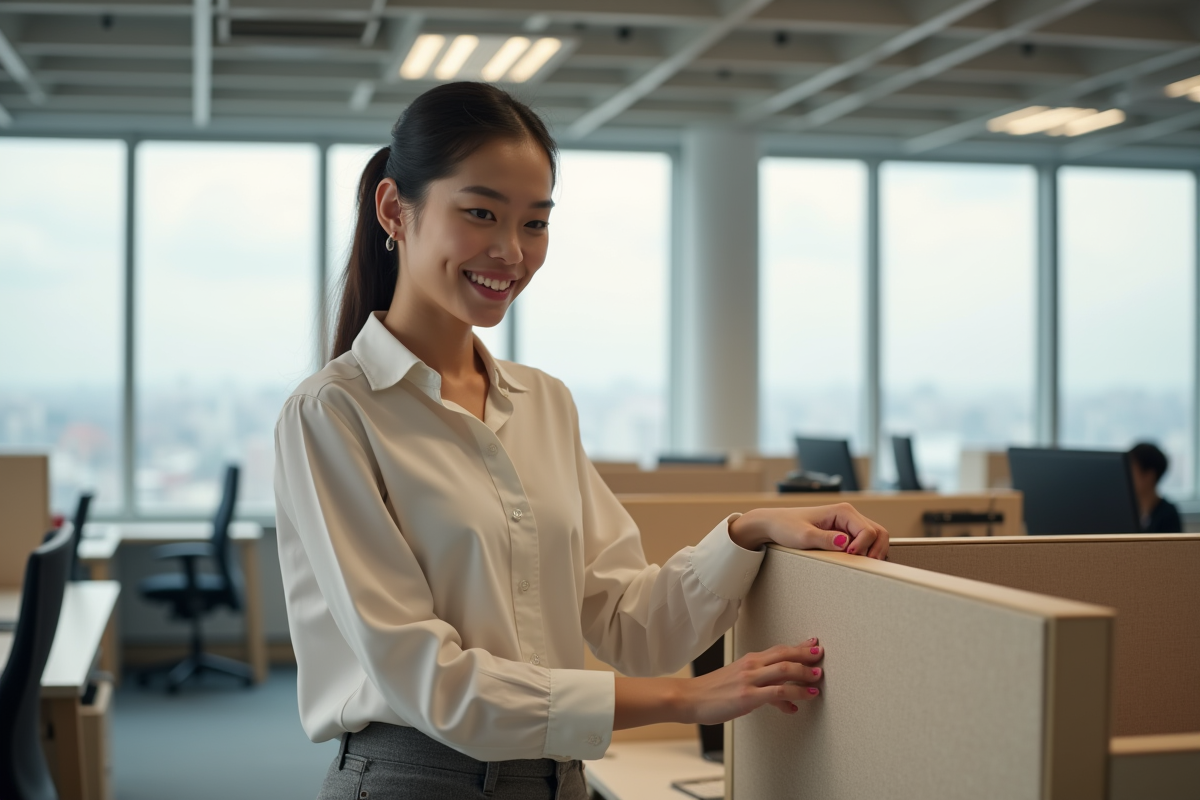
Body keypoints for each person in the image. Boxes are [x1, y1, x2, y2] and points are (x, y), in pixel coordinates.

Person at [273, 82, 890, 800]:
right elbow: (432, 682)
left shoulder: (544, 404)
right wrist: (686, 699)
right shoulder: (332, 414)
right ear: (393, 210)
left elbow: (633, 625)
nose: (511, 252)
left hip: (561, 778)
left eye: (535, 223)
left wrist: (748, 533)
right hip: (416, 780)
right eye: (481, 213)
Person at [1127, 442, 1183, 533]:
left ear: (1149, 476)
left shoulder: (1168, 514)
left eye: (1131, 471)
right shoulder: (1125, 510)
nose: (1127, 476)